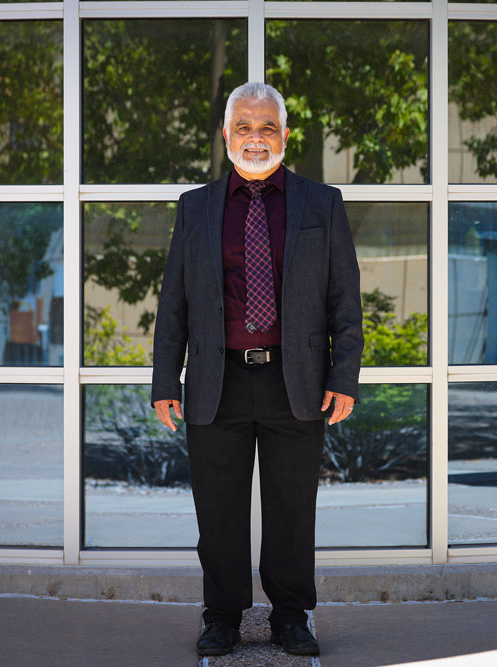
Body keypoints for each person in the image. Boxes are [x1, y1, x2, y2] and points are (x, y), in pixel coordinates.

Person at [151, 81, 363, 657]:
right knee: (217, 511)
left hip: (296, 384)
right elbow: (174, 301)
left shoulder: (322, 203)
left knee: (292, 509)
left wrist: (344, 376)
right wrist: (166, 381)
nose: (255, 137)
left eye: (267, 126)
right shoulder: (195, 207)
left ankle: (291, 616)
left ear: (286, 135)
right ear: (226, 136)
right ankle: (221, 616)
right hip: (216, 383)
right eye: (243, 126)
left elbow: (345, 298)